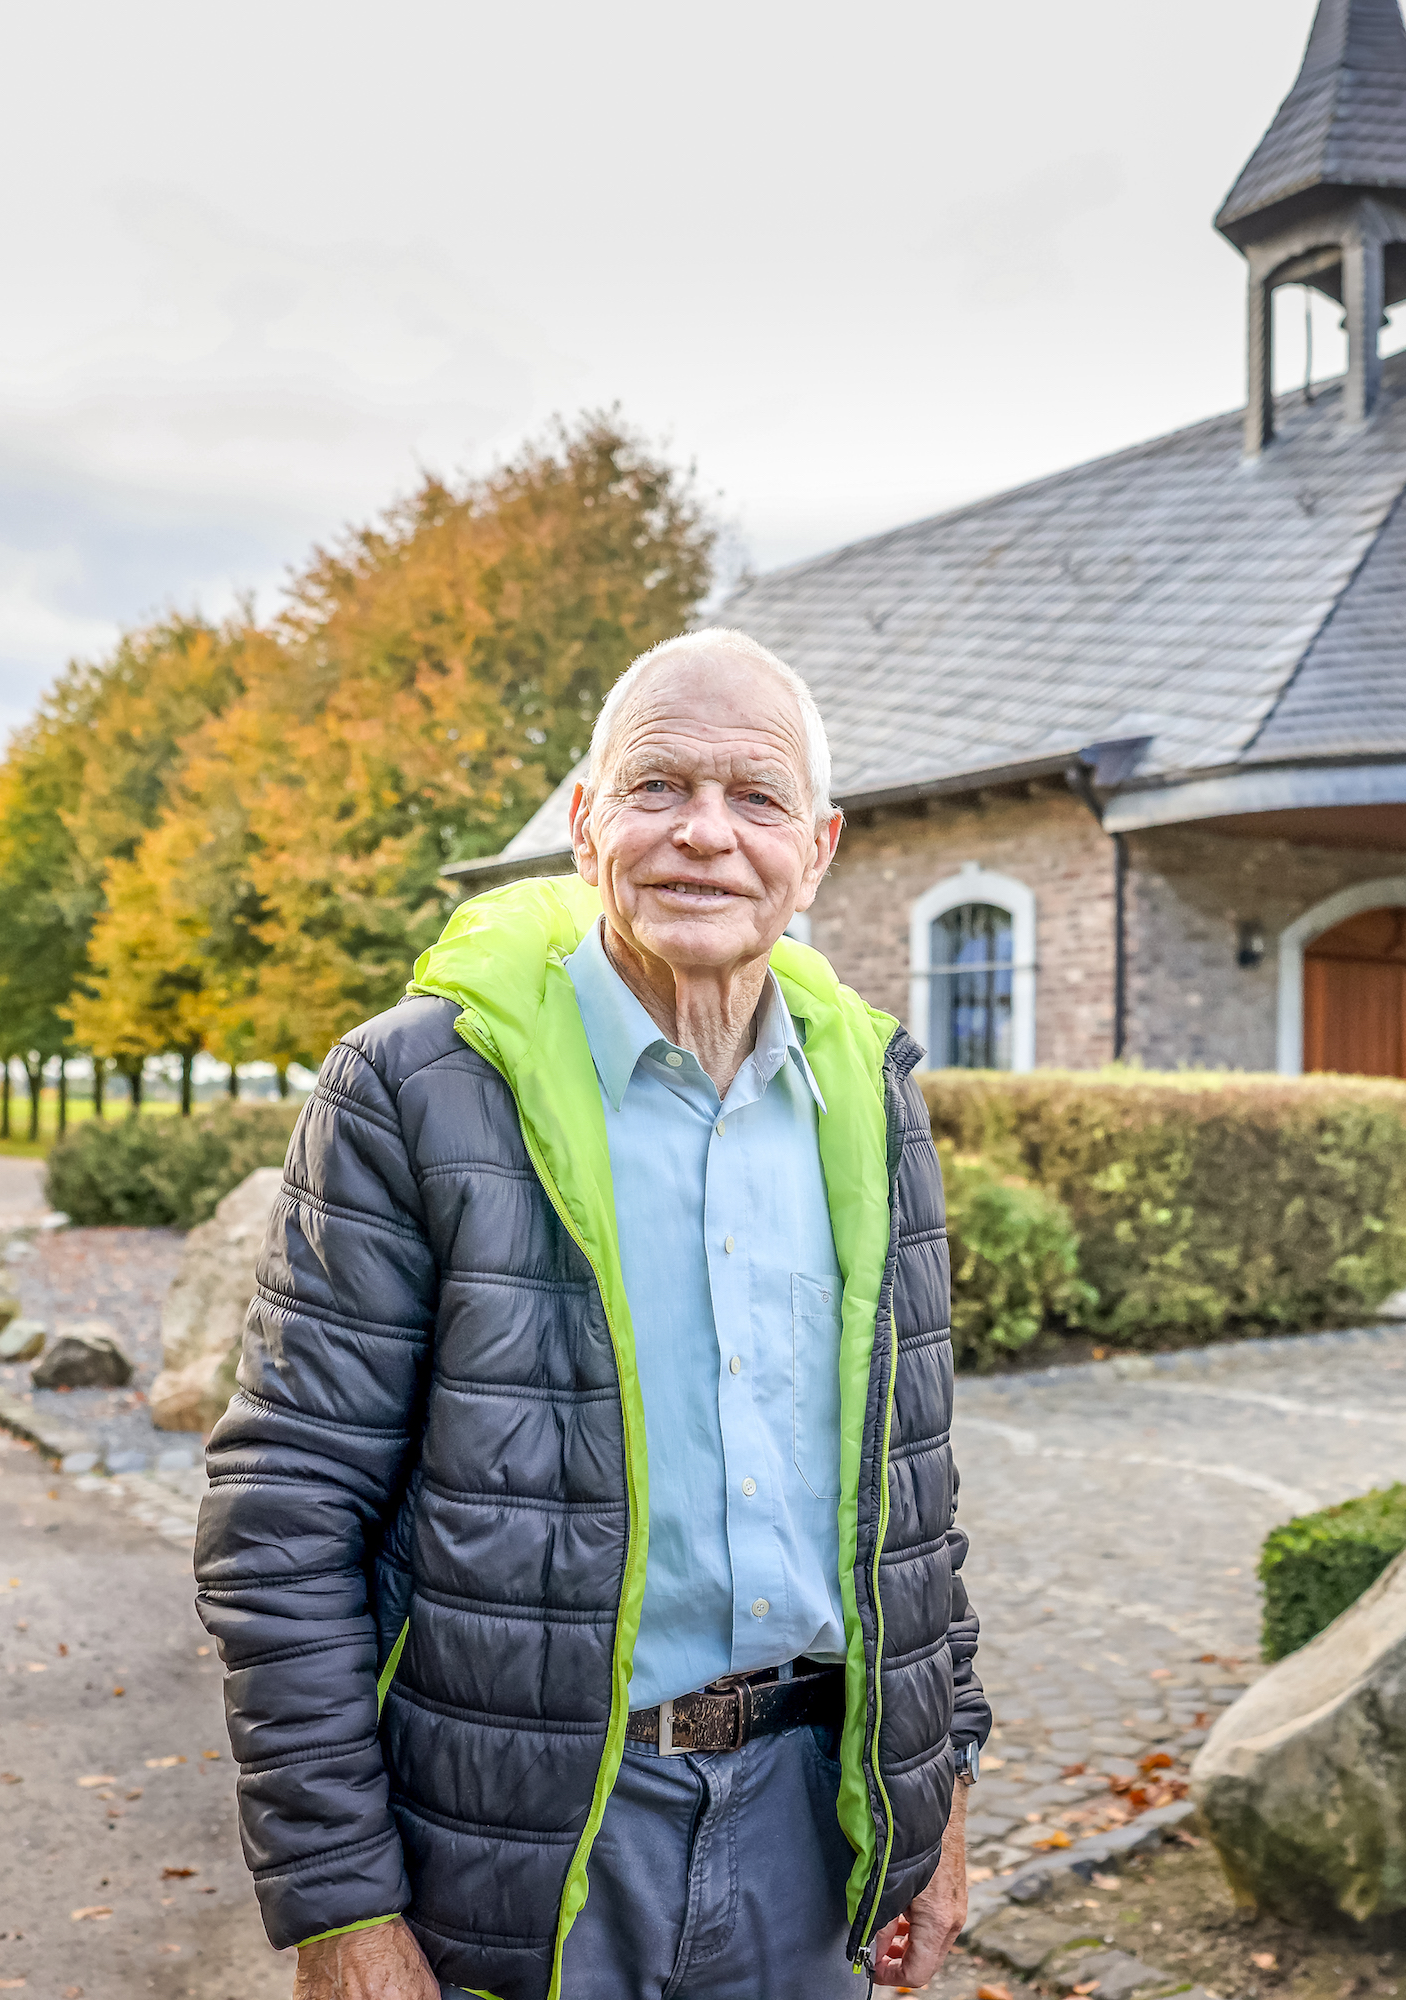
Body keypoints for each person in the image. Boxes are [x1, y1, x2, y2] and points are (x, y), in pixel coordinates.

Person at [195, 630, 987, 1999]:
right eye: (657, 787)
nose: (705, 836)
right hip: (529, 1840)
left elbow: (912, 1503)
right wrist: (341, 1909)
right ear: (582, 826)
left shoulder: (873, 1106)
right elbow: (284, 1512)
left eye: (756, 798)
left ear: (821, 846)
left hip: (814, 1824)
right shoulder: (416, 1088)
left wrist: (941, 1800)